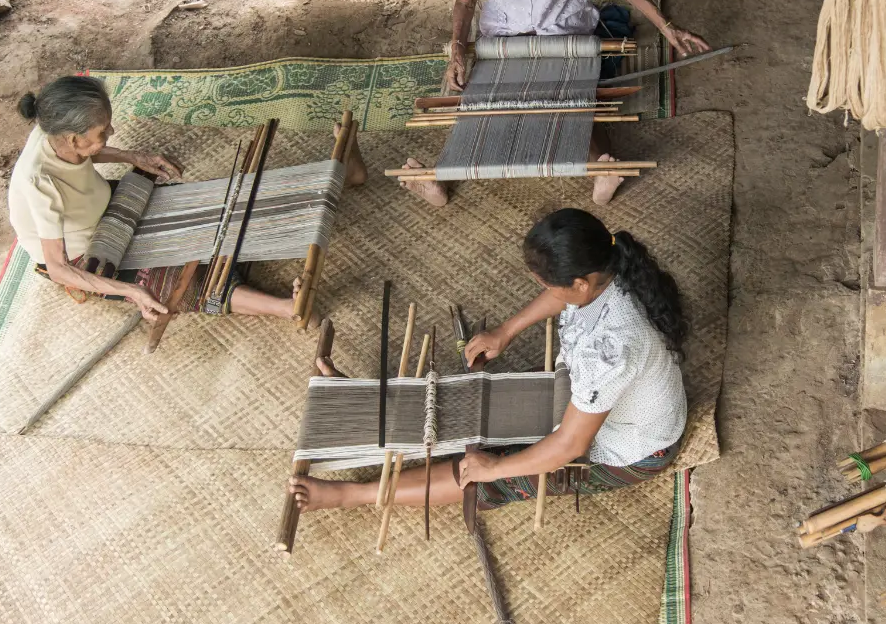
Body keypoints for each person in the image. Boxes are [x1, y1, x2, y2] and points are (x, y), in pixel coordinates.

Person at [288, 208, 688, 514]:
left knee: (491, 472)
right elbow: (564, 294)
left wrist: (493, 469)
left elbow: (569, 444)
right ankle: (368, 408)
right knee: (484, 405)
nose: (543, 289)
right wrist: (505, 331)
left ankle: (350, 495)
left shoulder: (612, 348)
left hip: (630, 447)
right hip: (599, 392)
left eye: (546, 284)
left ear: (580, 282)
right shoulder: (608, 262)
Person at [398, 0, 711, 208]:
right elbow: (465, 2)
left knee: (568, 100)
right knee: (486, 102)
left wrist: (668, 28)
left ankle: (602, 169)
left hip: (563, 37)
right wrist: (457, 50)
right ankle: (440, 178)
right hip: (504, 40)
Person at [8, 76, 368, 323]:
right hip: (88, 252)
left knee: (221, 209)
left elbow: (86, 155)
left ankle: (340, 175)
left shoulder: (58, 134)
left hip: (110, 207)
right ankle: (288, 308)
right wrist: (130, 291)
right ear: (70, 138)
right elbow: (59, 269)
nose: (111, 133)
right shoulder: (38, 181)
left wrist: (133, 157)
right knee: (174, 285)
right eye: (103, 131)